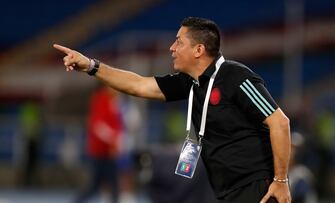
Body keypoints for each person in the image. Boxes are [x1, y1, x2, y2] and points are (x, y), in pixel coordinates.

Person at [54, 17, 291, 203]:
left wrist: (281, 180)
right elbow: (137, 84)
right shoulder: (190, 82)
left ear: (198, 50)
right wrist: (91, 66)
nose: (171, 47)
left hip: (256, 188)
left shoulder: (235, 76)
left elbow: (279, 122)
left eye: (178, 41)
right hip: (225, 189)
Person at [74, 85, 124, 203]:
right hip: (101, 150)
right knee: (110, 184)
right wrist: (113, 140)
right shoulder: (102, 100)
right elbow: (98, 126)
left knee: (101, 184)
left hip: (106, 150)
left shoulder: (112, 101)